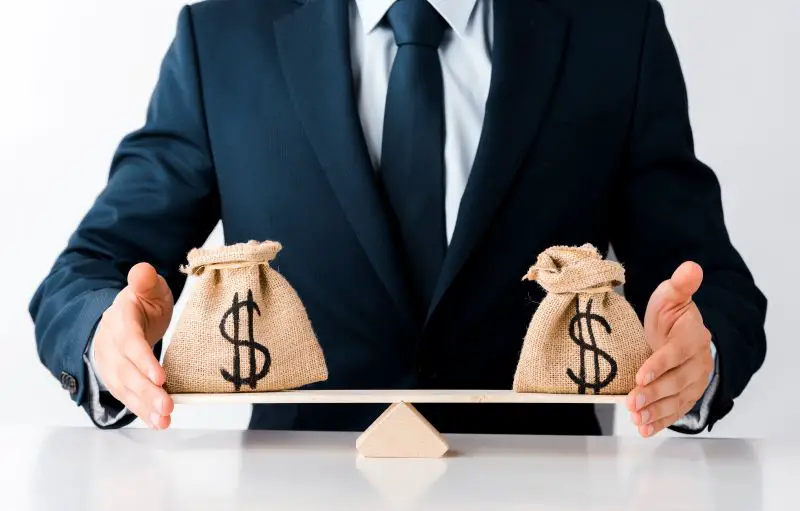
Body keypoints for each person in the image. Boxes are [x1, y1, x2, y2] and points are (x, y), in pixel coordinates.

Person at [29, 0, 766, 437]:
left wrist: (698, 361)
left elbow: (713, 287)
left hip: (545, 501)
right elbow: (88, 271)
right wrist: (105, 333)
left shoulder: (614, 32)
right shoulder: (224, 36)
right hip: (294, 510)